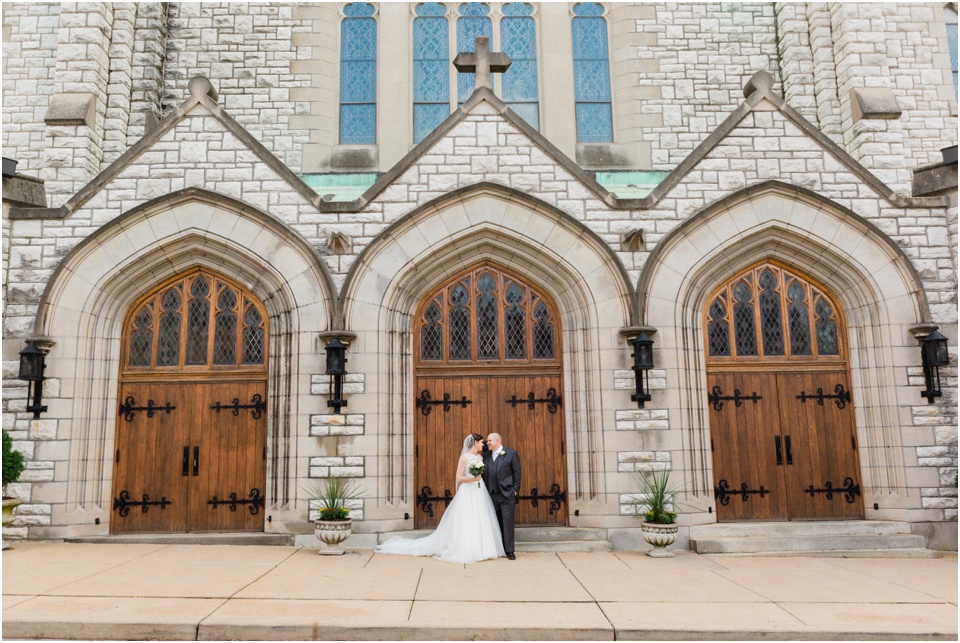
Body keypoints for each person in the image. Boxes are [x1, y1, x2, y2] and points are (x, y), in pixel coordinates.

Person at [375, 433, 505, 563]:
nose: (484, 444)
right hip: (468, 491)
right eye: (482, 442)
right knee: (468, 518)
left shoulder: (480, 458)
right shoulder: (465, 458)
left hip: (479, 490)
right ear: (475, 442)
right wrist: (473, 478)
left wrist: (478, 479)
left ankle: (484, 549)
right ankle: (468, 549)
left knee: (481, 517)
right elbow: (459, 477)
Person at [482, 432, 521, 560]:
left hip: (506, 495)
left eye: (489, 441)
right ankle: (497, 549)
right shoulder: (486, 456)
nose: (487, 443)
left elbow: (517, 473)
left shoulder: (511, 454)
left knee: (507, 523)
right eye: (487, 441)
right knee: (495, 523)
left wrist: (515, 490)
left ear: (497, 440)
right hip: (491, 495)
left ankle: (509, 551)